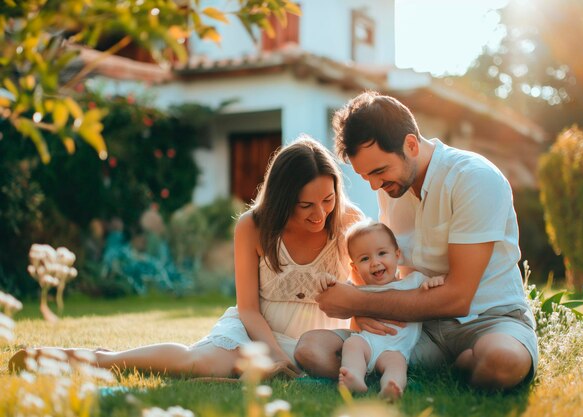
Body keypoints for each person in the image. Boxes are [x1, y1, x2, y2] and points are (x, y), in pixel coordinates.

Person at [9, 136, 361, 378]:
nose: (320, 214)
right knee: (198, 364)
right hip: (257, 331)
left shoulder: (349, 223)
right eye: (306, 205)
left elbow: (370, 290)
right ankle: (91, 359)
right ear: (284, 199)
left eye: (327, 200)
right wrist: (276, 356)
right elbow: (248, 308)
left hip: (319, 341)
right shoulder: (252, 226)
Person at [295, 91, 538, 390]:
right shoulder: (391, 189)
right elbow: (388, 269)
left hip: (488, 319)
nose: (374, 185)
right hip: (416, 327)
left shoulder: (474, 179)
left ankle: (441, 366)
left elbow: (458, 298)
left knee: (504, 362)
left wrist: (356, 301)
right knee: (311, 348)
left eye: (379, 171)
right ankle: (401, 372)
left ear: (411, 144)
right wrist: (362, 309)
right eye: (365, 175)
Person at [338, 220, 444, 401]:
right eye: (365, 258)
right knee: (352, 344)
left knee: (397, 366)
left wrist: (435, 281)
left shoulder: (412, 282)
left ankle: (390, 387)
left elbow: (440, 287)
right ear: (355, 267)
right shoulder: (361, 292)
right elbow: (343, 302)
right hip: (368, 343)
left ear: (397, 255)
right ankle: (355, 376)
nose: (375, 262)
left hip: (396, 349)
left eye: (382, 253)